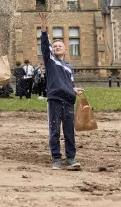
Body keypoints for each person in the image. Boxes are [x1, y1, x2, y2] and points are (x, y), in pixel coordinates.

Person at [39, 12, 84, 170]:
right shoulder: (50, 61)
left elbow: (69, 82)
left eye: (60, 46)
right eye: (55, 46)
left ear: (65, 50)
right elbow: (45, 45)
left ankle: (71, 158)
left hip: (69, 100)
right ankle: (56, 158)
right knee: (54, 130)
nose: (57, 47)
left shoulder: (69, 67)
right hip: (55, 99)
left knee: (69, 131)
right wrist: (44, 29)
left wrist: (74, 89)